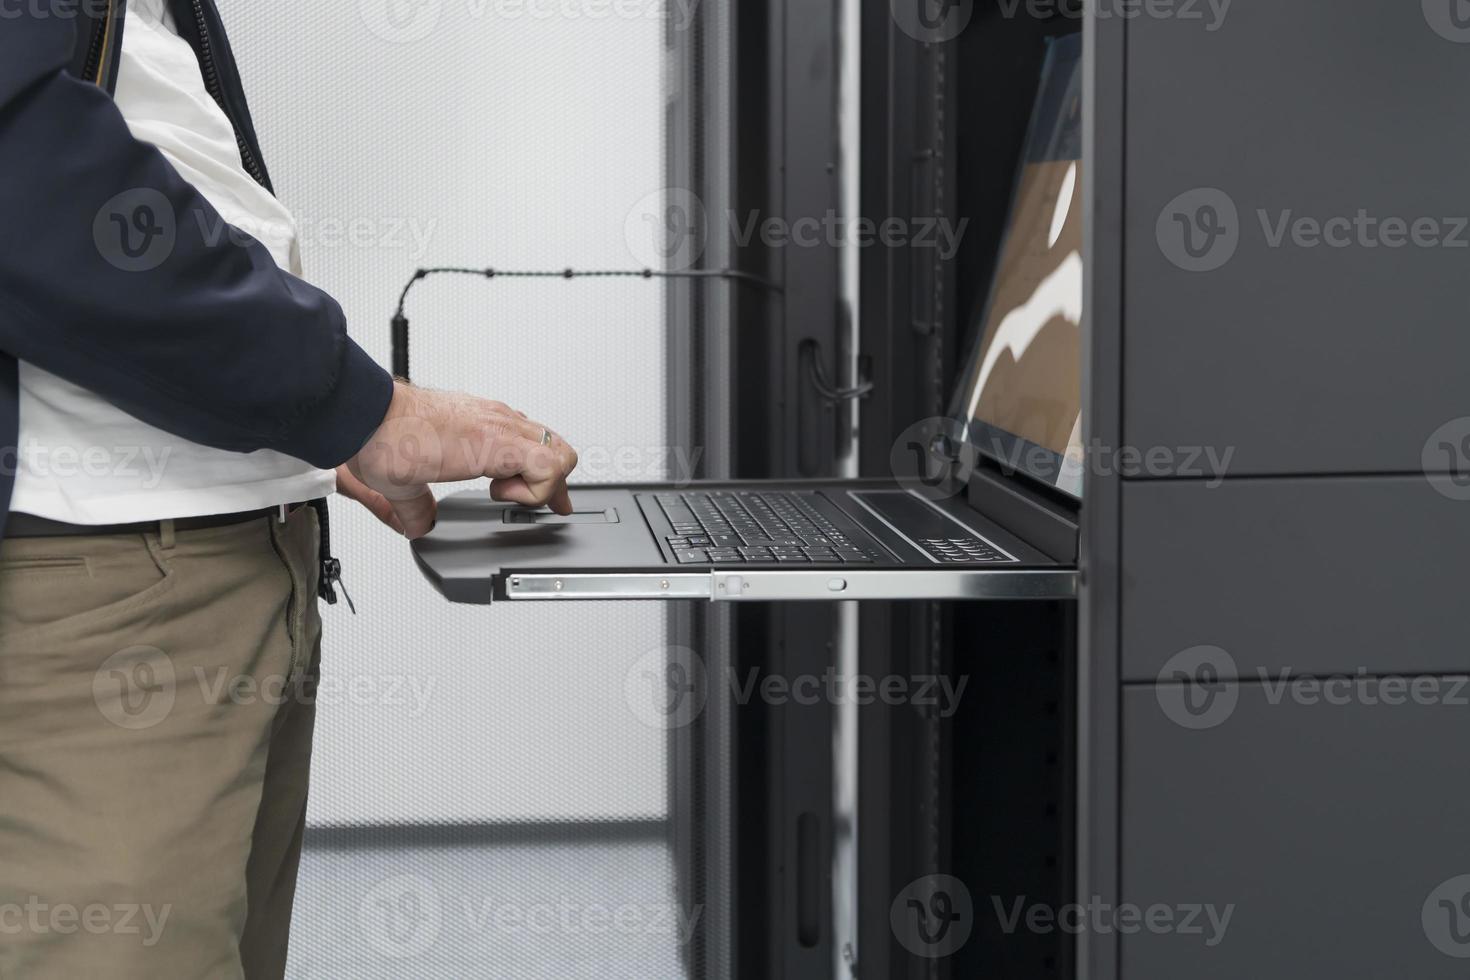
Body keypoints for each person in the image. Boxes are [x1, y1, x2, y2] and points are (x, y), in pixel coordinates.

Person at [0, 1, 578, 976]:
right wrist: (363, 408)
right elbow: (25, 172)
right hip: (104, 595)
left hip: (221, 556)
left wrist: (299, 435)